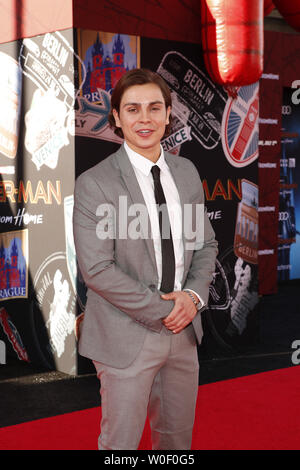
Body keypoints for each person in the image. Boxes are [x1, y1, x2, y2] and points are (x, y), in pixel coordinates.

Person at [73, 68, 218, 450]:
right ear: (117, 118)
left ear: (169, 114)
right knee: (120, 445)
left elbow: (205, 245)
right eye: (133, 109)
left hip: (185, 333)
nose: (145, 119)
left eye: (155, 108)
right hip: (125, 335)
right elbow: (97, 269)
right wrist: (164, 310)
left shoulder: (186, 172)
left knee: (176, 443)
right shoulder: (96, 183)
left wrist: (193, 300)